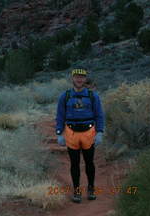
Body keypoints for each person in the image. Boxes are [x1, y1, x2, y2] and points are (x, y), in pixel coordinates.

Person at [55, 68, 105, 203]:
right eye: (77, 77)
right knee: (74, 164)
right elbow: (60, 116)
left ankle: (91, 189)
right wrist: (59, 133)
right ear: (72, 78)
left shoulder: (92, 95)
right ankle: (77, 192)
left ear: (85, 79)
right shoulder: (64, 96)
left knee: (89, 162)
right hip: (71, 134)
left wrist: (99, 132)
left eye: (82, 77)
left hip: (89, 133)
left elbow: (99, 115)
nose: (79, 79)